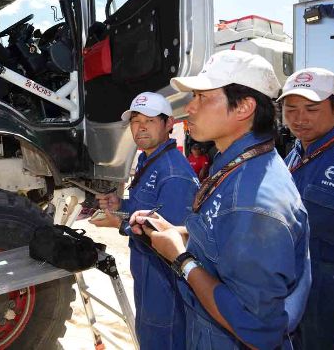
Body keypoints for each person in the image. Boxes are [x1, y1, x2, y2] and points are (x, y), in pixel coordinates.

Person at [131, 50, 311, 349]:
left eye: (202, 97)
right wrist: (180, 233)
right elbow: (226, 240)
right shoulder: (236, 165)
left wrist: (181, 258)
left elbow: (257, 328)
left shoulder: (255, 200)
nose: (190, 108)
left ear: (243, 107)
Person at [90, 92, 199, 349]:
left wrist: (118, 224)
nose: (140, 127)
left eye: (149, 120)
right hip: (146, 272)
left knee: (162, 340)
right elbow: (146, 210)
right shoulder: (148, 159)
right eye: (135, 121)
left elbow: (170, 238)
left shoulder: (173, 173)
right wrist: (121, 206)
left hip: (165, 282)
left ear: (169, 123)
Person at [279, 68, 334, 349]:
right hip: (296, 307)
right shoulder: (291, 159)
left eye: (311, 109)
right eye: (291, 109)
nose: (299, 119)